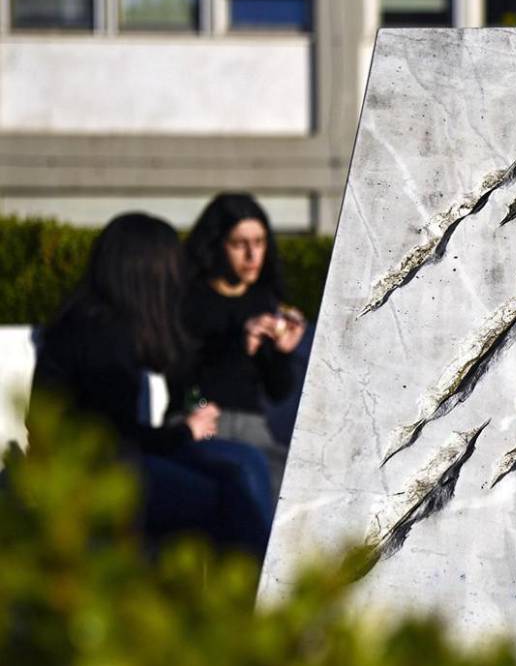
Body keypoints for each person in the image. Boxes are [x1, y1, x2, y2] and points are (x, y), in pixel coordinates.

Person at [27, 213, 273, 557]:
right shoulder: (101, 338)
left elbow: (182, 376)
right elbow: (116, 438)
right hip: (92, 476)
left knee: (245, 461)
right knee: (229, 496)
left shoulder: (105, 326)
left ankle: (263, 584)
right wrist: (187, 430)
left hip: (109, 462)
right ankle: (256, 592)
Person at [170, 194, 307, 497]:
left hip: (253, 427)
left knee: (294, 485)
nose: (251, 255)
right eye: (239, 244)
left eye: (259, 242)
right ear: (217, 245)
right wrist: (238, 343)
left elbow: (278, 390)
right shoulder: (189, 299)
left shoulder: (263, 301)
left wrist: (284, 352)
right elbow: (182, 380)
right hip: (199, 419)